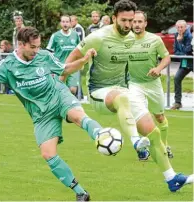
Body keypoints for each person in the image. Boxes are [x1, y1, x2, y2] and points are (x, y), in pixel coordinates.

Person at [66, 0, 193, 192]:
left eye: (131, 21)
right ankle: (135, 141)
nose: (128, 25)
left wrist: (156, 68)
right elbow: (70, 60)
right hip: (99, 92)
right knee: (122, 98)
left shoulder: (133, 38)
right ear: (114, 17)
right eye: (124, 20)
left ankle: (172, 178)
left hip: (124, 91)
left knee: (154, 133)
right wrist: (60, 82)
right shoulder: (98, 37)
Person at [0, 26, 106, 201]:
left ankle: (102, 135)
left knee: (76, 116)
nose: (37, 50)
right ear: (21, 45)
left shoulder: (44, 56)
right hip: (41, 113)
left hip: (58, 96)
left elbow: (65, 69)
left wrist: (85, 59)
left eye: (38, 46)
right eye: (33, 47)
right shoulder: (8, 65)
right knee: (48, 154)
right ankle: (81, 192)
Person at [129, 10, 173, 158]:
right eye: (134, 21)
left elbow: (166, 58)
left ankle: (165, 146)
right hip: (134, 84)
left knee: (160, 117)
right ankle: (143, 148)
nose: (136, 24)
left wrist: (158, 68)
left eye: (139, 22)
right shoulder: (124, 40)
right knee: (139, 117)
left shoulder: (155, 39)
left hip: (153, 84)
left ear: (145, 23)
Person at [47, 15, 80, 95]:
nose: (65, 24)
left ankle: (70, 105)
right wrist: (50, 67)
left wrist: (80, 62)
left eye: (67, 22)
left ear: (70, 23)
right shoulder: (55, 36)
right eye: (63, 22)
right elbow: (49, 52)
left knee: (73, 90)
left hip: (72, 65)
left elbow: (80, 50)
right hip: (59, 67)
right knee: (59, 90)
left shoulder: (75, 35)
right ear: (60, 23)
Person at [171, 20, 193, 110]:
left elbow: (188, 50)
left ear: (185, 27)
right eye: (178, 27)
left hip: (192, 60)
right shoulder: (176, 35)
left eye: (181, 27)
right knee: (177, 78)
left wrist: (180, 42)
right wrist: (182, 54)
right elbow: (175, 51)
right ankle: (177, 102)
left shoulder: (189, 35)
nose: (179, 29)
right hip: (185, 61)